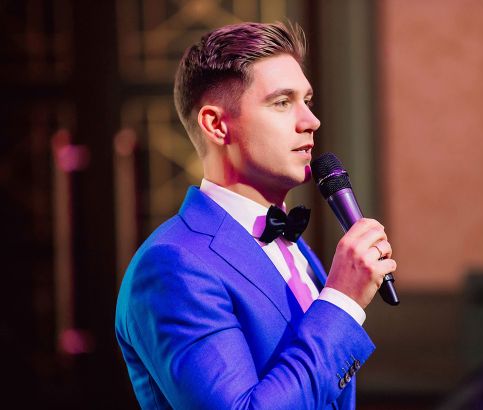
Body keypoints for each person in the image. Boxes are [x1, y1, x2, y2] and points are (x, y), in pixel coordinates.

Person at [115, 21, 396, 409]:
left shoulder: (298, 251)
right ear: (217, 125)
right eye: (282, 102)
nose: (311, 121)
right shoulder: (172, 264)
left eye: (307, 100)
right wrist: (342, 301)